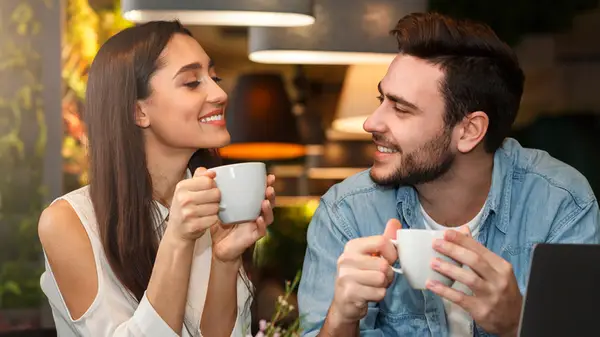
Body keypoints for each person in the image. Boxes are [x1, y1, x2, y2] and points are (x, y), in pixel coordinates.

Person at [297, 12, 600, 337]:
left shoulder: (560, 203)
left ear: (470, 131)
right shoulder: (346, 213)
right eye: (380, 99)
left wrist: (516, 324)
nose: (371, 123)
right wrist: (342, 318)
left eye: (400, 109)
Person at [37, 21, 275, 337]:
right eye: (192, 82)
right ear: (138, 112)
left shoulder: (218, 208)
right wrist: (178, 236)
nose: (219, 93)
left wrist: (225, 259)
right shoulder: (69, 221)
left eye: (214, 78)